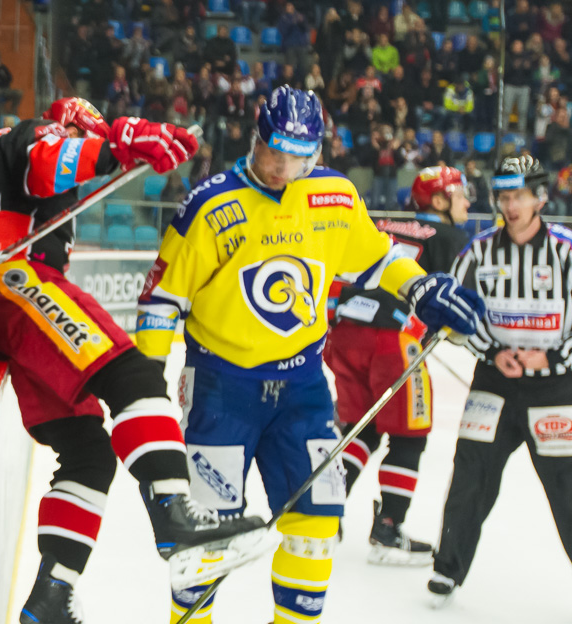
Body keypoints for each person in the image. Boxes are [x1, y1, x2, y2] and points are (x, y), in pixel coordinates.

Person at [136, 86, 483, 624]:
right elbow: (161, 301)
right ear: (256, 140)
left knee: (318, 525)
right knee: (208, 536)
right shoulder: (209, 204)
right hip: (221, 387)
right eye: (274, 152)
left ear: (317, 152)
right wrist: (144, 388)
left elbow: (378, 258)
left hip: (303, 389)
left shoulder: (335, 197)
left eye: (298, 157)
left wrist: (419, 287)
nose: (282, 168)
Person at [0, 99, 265, 623]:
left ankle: (52, 595)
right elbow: (48, 160)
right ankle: (174, 514)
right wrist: (115, 145)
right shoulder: (35, 134)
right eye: (81, 137)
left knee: (87, 449)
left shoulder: (8, 170)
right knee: (130, 373)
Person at [429, 156, 572, 606]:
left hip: (555, 387)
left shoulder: (566, 252)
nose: (511, 206)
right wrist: (492, 352)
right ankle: (447, 568)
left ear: (540, 198)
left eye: (520, 196)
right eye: (505, 197)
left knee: (566, 484)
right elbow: (457, 316)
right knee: (471, 472)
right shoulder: (478, 252)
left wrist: (553, 355)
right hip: (494, 381)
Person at [324, 167, 471, 566]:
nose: (467, 202)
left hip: (345, 334)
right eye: (460, 194)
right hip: (394, 341)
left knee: (362, 426)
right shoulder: (451, 237)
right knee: (409, 435)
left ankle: (324, 513)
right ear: (439, 201)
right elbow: (459, 298)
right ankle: (388, 530)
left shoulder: (382, 223)